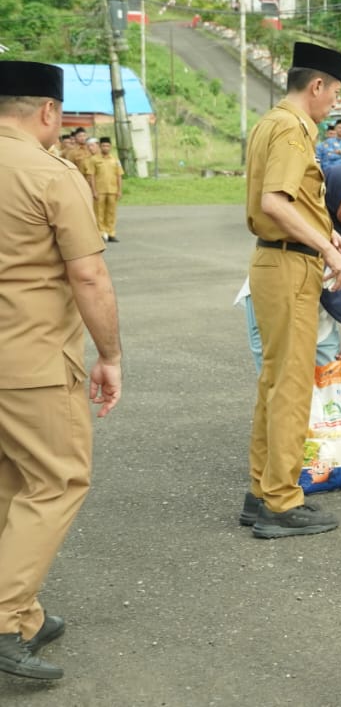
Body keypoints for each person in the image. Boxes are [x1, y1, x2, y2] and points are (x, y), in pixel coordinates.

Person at [0, 61, 123, 681]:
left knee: (9, 486)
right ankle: (1, 619)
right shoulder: (51, 174)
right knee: (57, 480)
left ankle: (21, 612)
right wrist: (111, 355)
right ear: (48, 112)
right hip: (32, 362)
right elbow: (89, 274)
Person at [242, 41, 341, 540]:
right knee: (290, 388)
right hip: (289, 267)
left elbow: (291, 201)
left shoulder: (273, 121)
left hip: (277, 260)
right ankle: (282, 502)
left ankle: (262, 490)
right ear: (316, 86)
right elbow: (275, 200)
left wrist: (320, 227)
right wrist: (327, 248)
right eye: (335, 92)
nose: (335, 102)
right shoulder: (291, 129)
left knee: (274, 382)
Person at [238, 165, 341, 373]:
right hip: (278, 307)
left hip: (321, 321)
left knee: (335, 386)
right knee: (281, 383)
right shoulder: (306, 228)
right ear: (334, 196)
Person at [90, 136, 125, 243]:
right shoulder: (94, 159)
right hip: (100, 190)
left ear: (110, 147)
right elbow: (91, 176)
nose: (106, 148)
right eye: (104, 145)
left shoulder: (115, 160)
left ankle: (111, 233)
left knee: (111, 213)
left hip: (112, 190)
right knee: (99, 213)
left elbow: (119, 175)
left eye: (108, 146)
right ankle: (101, 233)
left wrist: (119, 190)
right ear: (100, 146)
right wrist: (93, 190)